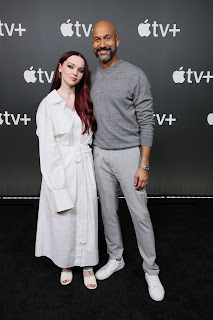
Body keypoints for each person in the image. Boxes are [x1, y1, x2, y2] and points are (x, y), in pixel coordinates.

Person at [90, 21, 165, 301]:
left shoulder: (135, 75)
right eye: (97, 40)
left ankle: (151, 270)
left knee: (140, 215)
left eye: (107, 38)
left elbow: (146, 121)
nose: (102, 44)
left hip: (129, 154)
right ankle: (116, 258)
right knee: (108, 212)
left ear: (117, 41)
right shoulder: (91, 77)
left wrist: (143, 164)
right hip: (100, 154)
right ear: (93, 44)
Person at [35, 51, 98, 289]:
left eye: (80, 70)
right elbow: (48, 151)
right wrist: (58, 187)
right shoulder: (48, 105)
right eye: (71, 66)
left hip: (85, 168)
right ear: (60, 68)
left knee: (87, 215)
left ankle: (88, 263)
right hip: (61, 169)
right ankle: (66, 263)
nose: (75, 73)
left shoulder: (85, 100)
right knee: (65, 217)